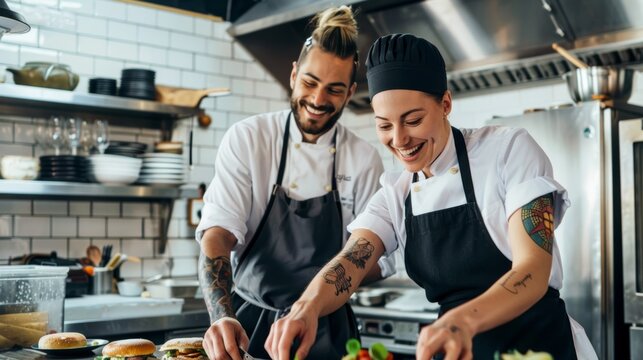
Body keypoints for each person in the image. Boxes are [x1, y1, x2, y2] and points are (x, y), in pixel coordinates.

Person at [264, 33, 598, 360]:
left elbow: (534, 271)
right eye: (384, 125)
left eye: (413, 120)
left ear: (446, 104)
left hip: (540, 347)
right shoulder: (396, 192)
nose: (399, 139)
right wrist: (305, 308)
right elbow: (352, 261)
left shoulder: (507, 150)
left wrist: (461, 321)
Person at [195, 6, 392, 360]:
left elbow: (377, 257)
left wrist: (319, 295)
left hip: (330, 332)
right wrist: (221, 316)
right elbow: (218, 232)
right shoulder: (249, 139)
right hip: (249, 326)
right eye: (310, 83)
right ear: (293, 74)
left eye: (334, 90)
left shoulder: (363, 159)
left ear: (350, 92)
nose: (318, 100)